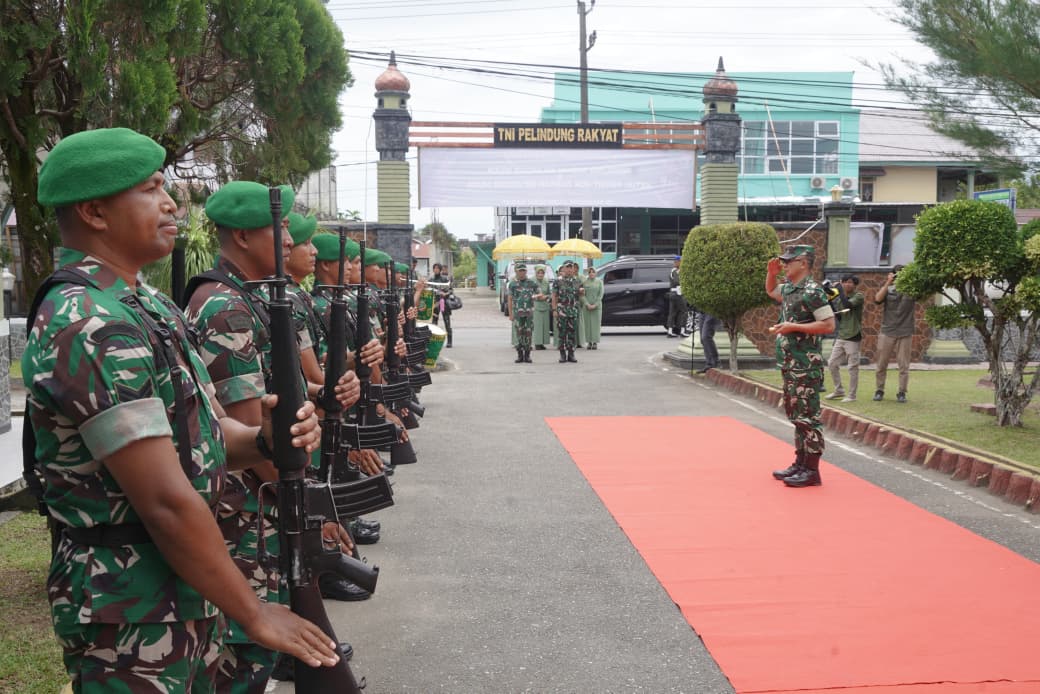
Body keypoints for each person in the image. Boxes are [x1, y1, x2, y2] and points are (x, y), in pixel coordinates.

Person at [25, 128, 341, 692]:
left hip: (183, 589)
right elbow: (166, 501)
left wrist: (268, 438)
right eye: (150, 189)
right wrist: (255, 611)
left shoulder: (147, 305)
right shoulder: (90, 322)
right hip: (128, 609)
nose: (172, 203)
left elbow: (209, 438)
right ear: (95, 211)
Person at [183, 181, 355, 691]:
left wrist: (331, 390)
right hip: (249, 511)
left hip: (267, 503)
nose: (288, 238)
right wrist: (307, 511)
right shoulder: (225, 307)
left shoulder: (252, 299)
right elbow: (251, 433)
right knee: (245, 663)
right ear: (240, 234)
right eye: (277, 227)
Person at [765, 245, 835, 488]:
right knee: (796, 415)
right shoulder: (791, 288)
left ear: (803, 263)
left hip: (806, 364)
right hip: (790, 362)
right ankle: (800, 463)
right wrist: (771, 273)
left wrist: (794, 327)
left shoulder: (812, 291)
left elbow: (827, 325)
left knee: (808, 416)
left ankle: (812, 471)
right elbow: (773, 291)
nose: (785, 265)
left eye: (788, 262)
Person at [873, 265, 916, 403]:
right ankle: (879, 390)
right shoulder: (888, 289)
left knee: (904, 366)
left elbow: (924, 293)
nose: (899, 277)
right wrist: (888, 282)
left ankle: (902, 392)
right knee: (881, 364)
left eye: (902, 275)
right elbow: (877, 299)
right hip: (887, 331)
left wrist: (911, 281)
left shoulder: (912, 289)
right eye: (896, 274)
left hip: (905, 331)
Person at [824, 273, 865, 402]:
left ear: (855, 284)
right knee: (832, 363)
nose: (847, 284)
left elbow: (847, 305)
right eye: (845, 282)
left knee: (852, 367)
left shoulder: (858, 296)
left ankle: (852, 396)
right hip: (842, 334)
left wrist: (839, 289)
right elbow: (839, 316)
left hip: (853, 335)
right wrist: (829, 297)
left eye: (850, 282)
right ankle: (839, 390)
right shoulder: (842, 297)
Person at [552, 260, 583, 363]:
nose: (570, 269)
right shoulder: (558, 281)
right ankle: (562, 354)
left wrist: (581, 292)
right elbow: (554, 296)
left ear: (574, 269)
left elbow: (579, 295)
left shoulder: (577, 281)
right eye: (567, 267)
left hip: (573, 311)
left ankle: (571, 354)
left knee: (572, 333)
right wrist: (554, 309)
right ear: (563, 269)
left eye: (571, 267)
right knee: (562, 333)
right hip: (562, 311)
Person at [507, 262, 538, 363]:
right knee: (519, 333)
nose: (522, 273)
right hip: (518, 314)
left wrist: (537, 296)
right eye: (520, 271)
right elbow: (510, 299)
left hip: (529, 313)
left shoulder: (532, 283)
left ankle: (527, 355)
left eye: (524, 270)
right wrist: (510, 313)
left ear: (526, 271)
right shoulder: (513, 284)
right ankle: (520, 355)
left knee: (528, 333)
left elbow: (540, 293)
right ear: (516, 271)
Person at [430, 262, 453, 348]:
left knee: (446, 320)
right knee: (434, 322)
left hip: (443, 302)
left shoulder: (445, 279)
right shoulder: (431, 280)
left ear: (440, 270)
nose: (435, 270)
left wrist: (445, 293)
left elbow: (451, 290)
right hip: (435, 303)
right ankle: (433, 341)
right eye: (434, 268)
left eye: (437, 268)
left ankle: (449, 341)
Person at [581, 265, 604, 349]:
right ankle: (589, 342)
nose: (591, 273)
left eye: (593, 272)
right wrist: (587, 304)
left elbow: (600, 295)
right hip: (587, 307)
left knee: (596, 325)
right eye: (589, 272)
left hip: (596, 307)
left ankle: (595, 342)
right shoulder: (585, 282)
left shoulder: (599, 282)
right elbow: (582, 295)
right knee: (588, 325)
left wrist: (595, 305)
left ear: (596, 273)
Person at [667, 255, 688, 338]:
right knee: (684, 312)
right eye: (680, 262)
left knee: (672, 313)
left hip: (673, 294)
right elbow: (677, 282)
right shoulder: (676, 271)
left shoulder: (673, 270)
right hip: (677, 294)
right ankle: (683, 331)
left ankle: (670, 331)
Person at [531, 265, 552, 350]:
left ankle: (542, 342)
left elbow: (550, 293)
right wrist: (537, 297)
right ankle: (537, 343)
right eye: (539, 272)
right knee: (537, 325)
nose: (540, 274)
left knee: (544, 325)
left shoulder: (546, 281)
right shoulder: (532, 281)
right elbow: (529, 294)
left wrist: (546, 297)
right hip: (535, 305)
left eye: (542, 273)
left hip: (545, 305)